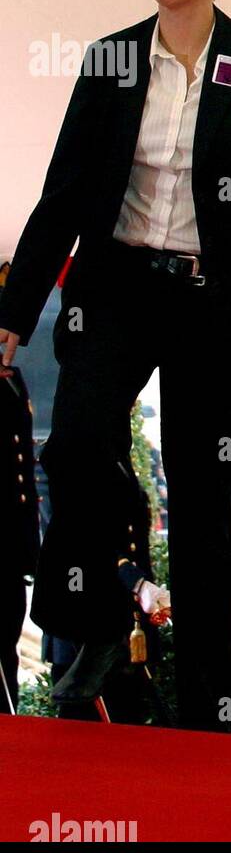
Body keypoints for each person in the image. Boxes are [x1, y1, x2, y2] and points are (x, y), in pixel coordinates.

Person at [0, 0, 231, 730]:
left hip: (215, 304)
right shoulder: (110, 58)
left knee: (204, 491)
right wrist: (15, 310)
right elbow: (62, 193)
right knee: (76, 445)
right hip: (116, 290)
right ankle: (95, 620)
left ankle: (207, 703)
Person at [0, 257, 38, 715]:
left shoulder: (13, 382)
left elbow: (22, 473)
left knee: (5, 648)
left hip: (9, 552)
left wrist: (29, 549)